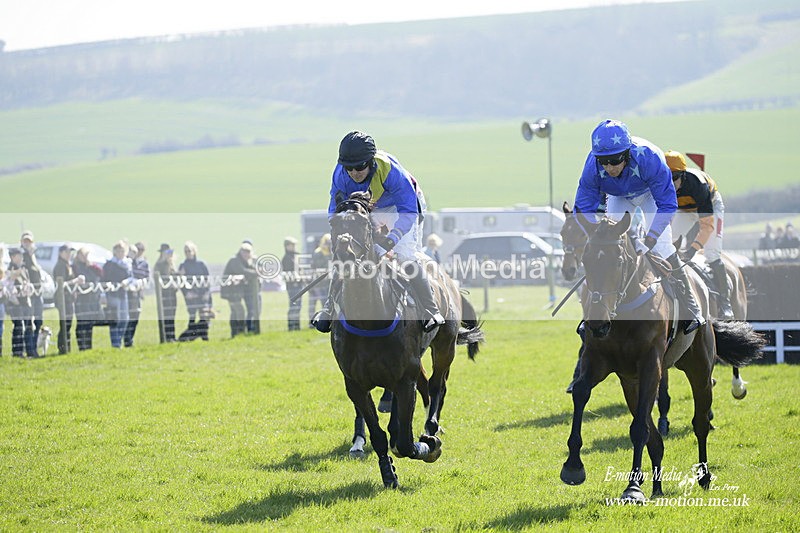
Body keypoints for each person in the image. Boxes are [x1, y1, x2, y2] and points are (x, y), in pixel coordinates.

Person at [573, 119, 703, 334]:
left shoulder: (648, 158)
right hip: (618, 197)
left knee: (661, 246)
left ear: (627, 154)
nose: (609, 167)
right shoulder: (592, 167)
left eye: (614, 161)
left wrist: (650, 238)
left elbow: (667, 204)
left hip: (650, 194)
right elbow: (583, 207)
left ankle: (691, 307)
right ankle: (592, 313)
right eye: (603, 161)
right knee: (604, 250)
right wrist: (595, 233)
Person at [311, 131, 445, 333]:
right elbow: (334, 209)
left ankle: (430, 310)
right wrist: (340, 236)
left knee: (404, 255)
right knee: (346, 257)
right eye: (350, 168)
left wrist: (391, 240)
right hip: (367, 208)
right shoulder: (340, 173)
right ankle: (329, 308)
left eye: (360, 167)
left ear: (370, 162)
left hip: (401, 208)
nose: (354, 172)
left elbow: (408, 211)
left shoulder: (391, 172)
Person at [665, 150, 734, 319]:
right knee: (667, 244)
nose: (671, 184)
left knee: (711, 253)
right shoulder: (662, 184)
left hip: (710, 206)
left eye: (675, 178)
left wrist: (692, 249)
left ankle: (725, 303)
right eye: (667, 178)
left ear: (683, 175)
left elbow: (707, 225)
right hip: (684, 210)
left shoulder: (697, 185)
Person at [6, 248, 39, 358]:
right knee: (18, 326)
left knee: (27, 326)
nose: (20, 258)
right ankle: (17, 351)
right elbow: (10, 280)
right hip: (16, 303)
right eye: (18, 256)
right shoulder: (11, 268)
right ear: (12, 257)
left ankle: (27, 350)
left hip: (25, 302)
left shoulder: (22, 268)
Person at [221, 242, 258, 337]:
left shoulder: (244, 261)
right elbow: (242, 271)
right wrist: (257, 273)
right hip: (231, 292)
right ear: (241, 252)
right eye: (244, 252)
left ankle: (236, 333)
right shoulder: (235, 261)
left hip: (236, 292)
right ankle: (240, 332)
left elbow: (249, 270)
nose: (246, 254)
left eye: (248, 252)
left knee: (235, 312)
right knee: (239, 311)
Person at [103, 241, 134, 348]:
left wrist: (127, 282)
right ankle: (115, 344)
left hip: (123, 294)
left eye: (122, 251)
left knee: (125, 319)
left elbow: (131, 277)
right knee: (115, 319)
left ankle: (119, 340)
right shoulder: (109, 264)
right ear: (115, 252)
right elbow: (105, 279)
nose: (121, 253)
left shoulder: (127, 264)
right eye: (118, 251)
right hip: (112, 294)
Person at [178, 241, 211, 341]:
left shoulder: (201, 264)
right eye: (186, 251)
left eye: (189, 251)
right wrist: (187, 293)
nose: (188, 253)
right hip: (191, 296)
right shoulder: (183, 266)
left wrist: (206, 293)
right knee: (192, 316)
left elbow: (208, 280)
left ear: (194, 251)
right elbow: (181, 282)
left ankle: (204, 336)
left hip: (202, 295)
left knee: (204, 316)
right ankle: (189, 337)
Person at [73, 247, 104, 351]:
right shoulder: (75, 267)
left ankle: (88, 346)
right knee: (81, 323)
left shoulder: (90, 267)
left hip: (92, 299)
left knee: (89, 323)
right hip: (81, 300)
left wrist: (92, 265)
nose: (85, 257)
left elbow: (100, 273)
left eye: (86, 255)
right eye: (83, 255)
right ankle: (82, 346)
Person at [52, 243, 80, 354]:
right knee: (65, 324)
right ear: (61, 253)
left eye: (70, 252)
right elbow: (61, 283)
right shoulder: (60, 266)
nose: (69, 254)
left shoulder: (67, 264)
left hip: (68, 298)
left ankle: (66, 347)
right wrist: (75, 281)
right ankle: (63, 348)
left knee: (67, 324)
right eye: (66, 252)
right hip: (63, 299)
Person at [123, 241, 150, 347]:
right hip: (128, 292)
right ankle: (127, 339)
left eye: (142, 250)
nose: (139, 252)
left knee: (136, 315)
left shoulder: (144, 263)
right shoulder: (129, 262)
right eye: (138, 249)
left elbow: (147, 278)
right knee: (128, 315)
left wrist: (141, 284)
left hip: (138, 292)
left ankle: (130, 338)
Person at [20, 231, 45, 344]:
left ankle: (35, 344)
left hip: (38, 291)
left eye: (29, 241)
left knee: (38, 321)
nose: (27, 243)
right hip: (29, 293)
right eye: (25, 241)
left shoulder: (33, 255)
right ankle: (30, 348)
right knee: (29, 322)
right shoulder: (22, 256)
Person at [154, 243, 178, 343]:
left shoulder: (171, 265)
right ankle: (167, 336)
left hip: (172, 293)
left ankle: (172, 335)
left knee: (172, 314)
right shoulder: (159, 265)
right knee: (166, 314)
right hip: (163, 294)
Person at [307, 233, 332, 327]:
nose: (329, 245)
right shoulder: (318, 252)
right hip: (317, 284)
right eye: (327, 243)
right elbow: (319, 266)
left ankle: (324, 322)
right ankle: (311, 323)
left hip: (327, 283)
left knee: (325, 303)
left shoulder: (331, 252)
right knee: (313, 304)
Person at [282, 236, 303, 331]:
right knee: (293, 306)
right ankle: (291, 326)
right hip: (291, 286)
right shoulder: (286, 258)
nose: (294, 246)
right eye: (292, 245)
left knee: (298, 306)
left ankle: (296, 326)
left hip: (299, 285)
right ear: (287, 246)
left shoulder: (296, 256)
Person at [241, 239, 261, 334]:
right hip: (248, 290)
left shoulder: (255, 260)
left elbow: (261, 270)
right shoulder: (242, 261)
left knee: (258, 309)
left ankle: (254, 327)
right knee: (251, 310)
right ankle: (250, 328)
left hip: (257, 289)